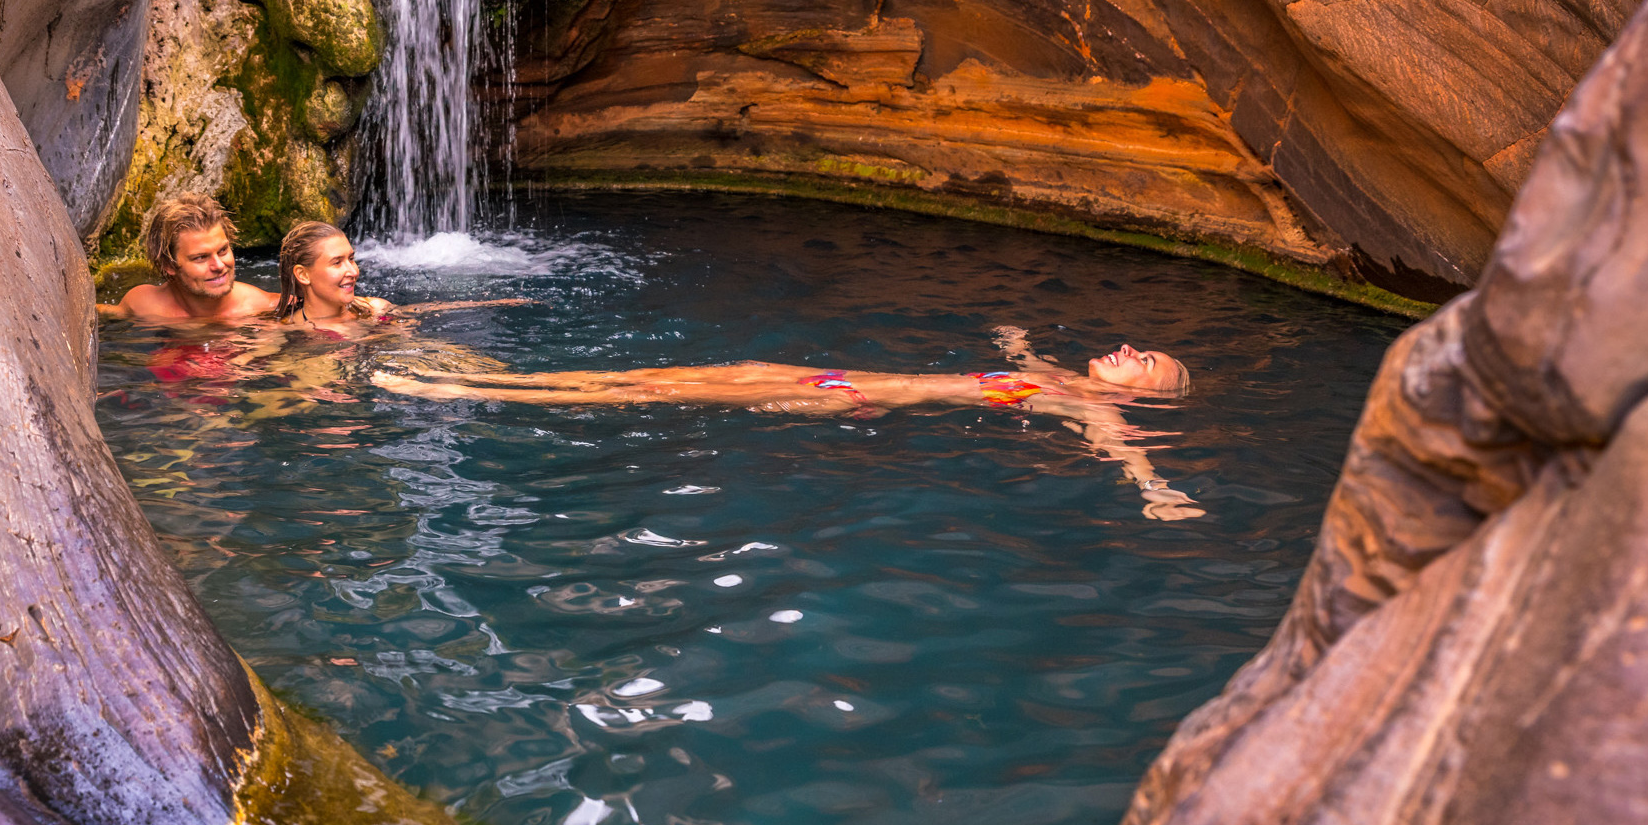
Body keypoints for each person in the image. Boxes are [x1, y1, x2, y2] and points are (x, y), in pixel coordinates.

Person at [372, 326, 1205, 520]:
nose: (1130, 350)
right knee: (660, 376)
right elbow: (1015, 352)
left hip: (847, 396)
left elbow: (1122, 449)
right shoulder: (1057, 376)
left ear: (1145, 395)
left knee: (659, 398)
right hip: (833, 374)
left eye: (1147, 362)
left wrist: (1155, 488)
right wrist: (1016, 337)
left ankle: (458, 396)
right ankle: (496, 380)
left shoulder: (1092, 407)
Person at [271, 220, 533, 333]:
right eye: (337, 262)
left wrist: (493, 304)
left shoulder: (373, 309)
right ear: (303, 274)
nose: (352, 271)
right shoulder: (288, 332)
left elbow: (419, 312)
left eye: (351, 258)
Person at [99, 192, 281, 325]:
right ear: (169, 264)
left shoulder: (263, 307)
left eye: (223, 250)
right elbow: (99, 314)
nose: (219, 265)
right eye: (201, 258)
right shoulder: (144, 305)